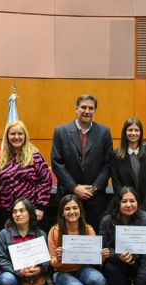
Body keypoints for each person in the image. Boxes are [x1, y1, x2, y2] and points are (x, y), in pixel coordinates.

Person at [51, 94, 113, 230]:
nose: (87, 111)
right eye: (83, 107)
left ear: (94, 111)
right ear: (76, 109)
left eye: (91, 108)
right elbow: (57, 163)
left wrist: (94, 187)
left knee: (93, 237)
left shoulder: (104, 132)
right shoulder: (61, 131)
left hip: (95, 198)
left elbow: (108, 164)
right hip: (68, 197)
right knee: (67, 237)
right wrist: (74, 188)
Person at [48, 194, 108, 285]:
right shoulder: (55, 231)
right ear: (62, 213)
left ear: (80, 211)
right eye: (67, 209)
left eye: (75, 208)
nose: (72, 212)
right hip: (61, 272)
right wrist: (59, 259)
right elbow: (52, 262)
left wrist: (101, 257)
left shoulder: (88, 229)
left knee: (99, 280)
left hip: (82, 269)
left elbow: (94, 261)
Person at [0, 197, 53, 285]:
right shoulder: (4, 234)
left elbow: (47, 260)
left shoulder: (40, 234)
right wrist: (19, 272)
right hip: (14, 276)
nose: (17, 214)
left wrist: (39, 268)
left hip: (34, 278)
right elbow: (0, 260)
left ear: (30, 213)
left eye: (22, 211)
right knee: (5, 279)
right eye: (15, 211)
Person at [0, 120, 52, 229]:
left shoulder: (34, 156)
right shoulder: (2, 158)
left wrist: (40, 207)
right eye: (12, 134)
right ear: (7, 136)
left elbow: (46, 181)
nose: (16, 137)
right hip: (9, 212)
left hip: (31, 211)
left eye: (20, 133)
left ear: (25, 136)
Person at [110, 118, 146, 214]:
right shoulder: (116, 155)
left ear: (141, 133)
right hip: (125, 206)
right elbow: (116, 182)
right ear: (125, 132)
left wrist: (145, 206)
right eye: (130, 130)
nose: (133, 133)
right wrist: (126, 203)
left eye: (136, 130)